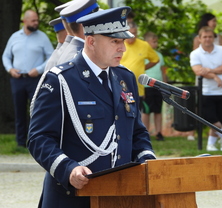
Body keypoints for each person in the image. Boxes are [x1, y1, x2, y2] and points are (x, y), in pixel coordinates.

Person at [27, 6, 156, 208]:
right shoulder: (61, 80)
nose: (122, 48)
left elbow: (136, 131)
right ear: (91, 41)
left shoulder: (125, 77)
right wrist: (68, 169)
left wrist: (147, 159)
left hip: (119, 195)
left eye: (122, 41)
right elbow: (38, 138)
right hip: (73, 196)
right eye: (115, 41)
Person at [2, 10, 53, 148]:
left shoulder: (42, 37)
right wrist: (10, 69)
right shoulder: (14, 37)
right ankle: (20, 143)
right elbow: (6, 56)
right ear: (24, 21)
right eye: (33, 21)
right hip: (17, 79)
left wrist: (39, 69)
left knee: (36, 111)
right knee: (19, 111)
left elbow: (51, 57)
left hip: (35, 80)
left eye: (37, 20)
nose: (36, 23)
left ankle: (35, 142)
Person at [190, 26, 222, 151]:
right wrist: (214, 76)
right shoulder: (195, 53)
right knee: (209, 118)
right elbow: (198, 71)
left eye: (210, 37)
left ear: (214, 38)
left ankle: (211, 144)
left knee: (219, 120)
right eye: (205, 37)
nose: (207, 39)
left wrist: (209, 70)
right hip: (205, 91)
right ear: (199, 39)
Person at [120, 21, 159, 110]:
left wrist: (142, 68)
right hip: (121, 87)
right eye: (130, 33)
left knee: (135, 113)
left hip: (137, 89)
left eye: (134, 33)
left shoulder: (144, 45)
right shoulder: (119, 43)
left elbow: (155, 59)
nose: (132, 35)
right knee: (125, 112)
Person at [141, 31, 167, 141]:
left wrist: (165, 85)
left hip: (158, 87)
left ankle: (158, 132)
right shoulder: (142, 54)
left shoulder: (159, 55)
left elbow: (163, 71)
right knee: (146, 111)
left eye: (156, 42)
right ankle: (145, 132)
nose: (155, 44)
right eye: (153, 42)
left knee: (158, 110)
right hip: (146, 87)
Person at [57, 0, 99, 64]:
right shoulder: (79, 55)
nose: (99, 25)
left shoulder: (76, 50)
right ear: (83, 24)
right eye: (95, 21)